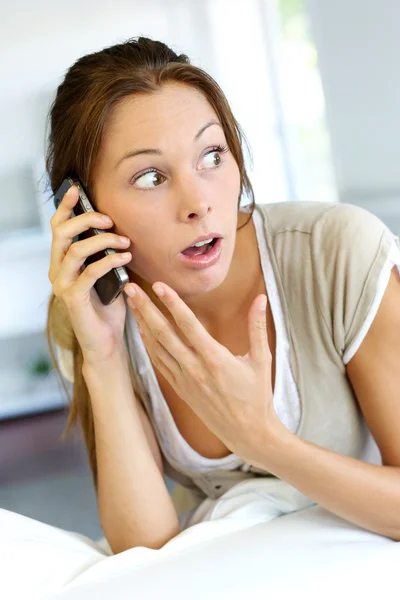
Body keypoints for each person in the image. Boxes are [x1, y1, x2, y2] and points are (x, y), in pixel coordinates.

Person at [46, 36, 400, 555]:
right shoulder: (92, 309)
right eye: (150, 176)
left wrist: (266, 441)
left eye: (212, 155)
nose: (199, 203)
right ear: (85, 208)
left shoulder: (337, 254)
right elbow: (142, 547)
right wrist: (104, 356)